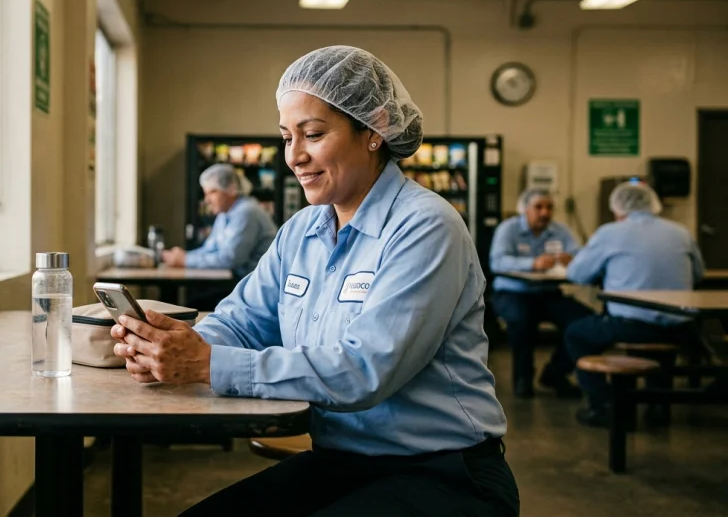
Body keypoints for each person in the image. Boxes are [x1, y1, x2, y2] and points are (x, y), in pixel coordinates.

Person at [111, 46, 518, 516]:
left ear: (373, 130)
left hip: (443, 475)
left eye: (314, 134)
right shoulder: (302, 231)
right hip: (342, 463)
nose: (295, 156)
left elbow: (365, 370)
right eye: (287, 137)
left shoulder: (426, 227)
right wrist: (177, 346)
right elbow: (243, 320)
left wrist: (205, 365)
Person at [564, 181, 705, 427]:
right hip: (682, 326)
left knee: (576, 334)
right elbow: (698, 274)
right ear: (654, 204)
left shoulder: (610, 233)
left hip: (631, 325)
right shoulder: (681, 232)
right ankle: (658, 406)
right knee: (662, 339)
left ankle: (606, 405)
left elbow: (577, 274)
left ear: (618, 208)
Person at [489, 188, 593, 399]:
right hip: (513, 292)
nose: (544, 213)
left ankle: (556, 372)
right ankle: (522, 378)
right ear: (525, 210)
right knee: (521, 320)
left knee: (585, 320)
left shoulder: (560, 230)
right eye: (538, 207)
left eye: (549, 207)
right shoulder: (508, 229)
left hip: (548, 293)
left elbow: (580, 255)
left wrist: (572, 260)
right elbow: (497, 262)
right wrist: (532, 263)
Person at [162, 163, 277, 309]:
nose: (207, 200)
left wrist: (185, 260)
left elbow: (230, 259)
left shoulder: (247, 212)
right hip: (237, 284)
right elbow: (209, 248)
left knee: (192, 306)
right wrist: (184, 256)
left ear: (230, 189)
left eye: (212, 192)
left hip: (255, 291)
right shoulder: (225, 212)